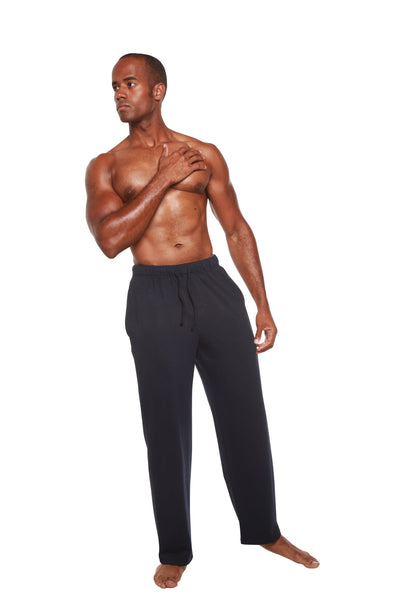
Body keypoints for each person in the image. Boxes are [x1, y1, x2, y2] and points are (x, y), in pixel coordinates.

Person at [85, 53, 320, 589]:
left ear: (158, 90)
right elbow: (110, 240)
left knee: (245, 416)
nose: (119, 93)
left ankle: (264, 530)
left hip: (213, 288)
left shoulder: (204, 153)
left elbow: (235, 228)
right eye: (114, 86)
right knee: (166, 427)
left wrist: (262, 302)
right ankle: (175, 550)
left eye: (129, 84)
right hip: (153, 295)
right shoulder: (106, 166)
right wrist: (164, 179)